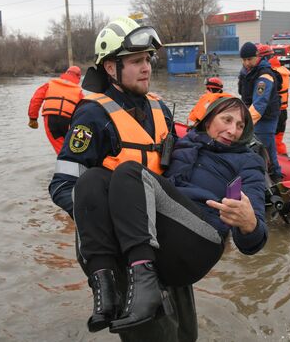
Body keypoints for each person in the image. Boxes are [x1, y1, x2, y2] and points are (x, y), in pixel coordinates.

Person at [48, 17, 197, 340]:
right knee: (151, 333)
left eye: (147, 60)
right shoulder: (92, 115)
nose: (146, 68)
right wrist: (110, 223)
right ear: (111, 69)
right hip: (123, 247)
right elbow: (63, 186)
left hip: (163, 239)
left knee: (186, 332)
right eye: (135, 61)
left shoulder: (160, 109)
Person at [73, 96, 267, 333]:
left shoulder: (249, 162)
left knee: (130, 173)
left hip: (203, 240)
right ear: (207, 121)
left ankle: (146, 285)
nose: (233, 130)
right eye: (227, 120)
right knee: (91, 180)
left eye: (240, 126)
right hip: (166, 236)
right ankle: (105, 288)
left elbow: (254, 241)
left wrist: (250, 224)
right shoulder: (182, 144)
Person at [237, 42, 283, 182]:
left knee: (267, 149)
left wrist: (244, 123)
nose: (246, 63)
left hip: (266, 118)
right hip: (252, 115)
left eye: (249, 59)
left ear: (257, 57)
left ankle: (275, 178)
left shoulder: (265, 76)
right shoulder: (246, 73)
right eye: (244, 60)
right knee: (254, 147)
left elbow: (259, 104)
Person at [27, 66, 84, 154]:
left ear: (66, 73)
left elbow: (36, 99)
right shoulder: (78, 91)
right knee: (73, 149)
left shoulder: (51, 83)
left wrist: (33, 118)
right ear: (79, 78)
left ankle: (65, 164)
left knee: (61, 150)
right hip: (68, 122)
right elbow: (84, 111)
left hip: (51, 120)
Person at [257, 44, 290, 155]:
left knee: (268, 140)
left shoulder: (268, 74)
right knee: (278, 139)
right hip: (283, 112)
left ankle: (275, 162)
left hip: (272, 113)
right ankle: (284, 158)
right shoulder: (283, 72)